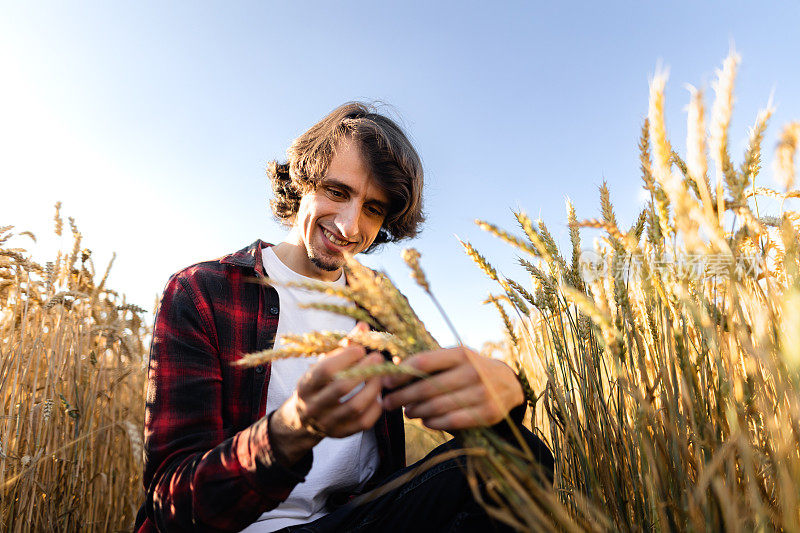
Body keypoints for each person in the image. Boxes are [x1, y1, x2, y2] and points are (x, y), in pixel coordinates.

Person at [134, 102, 553, 533]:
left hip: (353, 521)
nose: (351, 226)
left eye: (373, 208)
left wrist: (507, 398)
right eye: (337, 192)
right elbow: (171, 504)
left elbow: (452, 401)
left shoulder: (381, 303)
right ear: (301, 182)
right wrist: (291, 431)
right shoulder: (202, 292)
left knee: (518, 455)